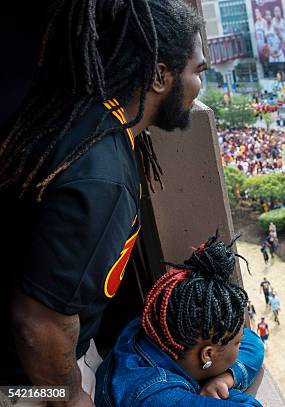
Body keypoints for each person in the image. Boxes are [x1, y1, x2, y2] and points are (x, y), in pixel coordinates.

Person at [1, 0, 206, 400]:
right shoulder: (103, 178)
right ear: (160, 76)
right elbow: (39, 322)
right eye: (197, 71)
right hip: (17, 387)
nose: (199, 87)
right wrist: (73, 397)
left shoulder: (92, 122)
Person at [95, 235, 264, 406]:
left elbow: (254, 343)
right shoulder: (156, 396)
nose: (241, 345)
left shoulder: (161, 329)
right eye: (238, 344)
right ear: (207, 355)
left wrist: (225, 378)